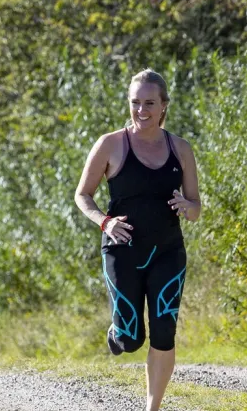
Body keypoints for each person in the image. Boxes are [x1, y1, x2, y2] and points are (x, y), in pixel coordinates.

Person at [74, 68, 202, 411]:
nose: (141, 110)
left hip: (168, 252)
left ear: (163, 106)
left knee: (164, 331)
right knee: (131, 340)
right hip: (122, 252)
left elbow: (195, 207)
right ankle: (118, 333)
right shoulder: (111, 144)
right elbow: (83, 195)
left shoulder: (181, 149)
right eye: (135, 103)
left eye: (149, 103)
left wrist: (186, 206)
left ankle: (152, 407)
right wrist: (105, 222)